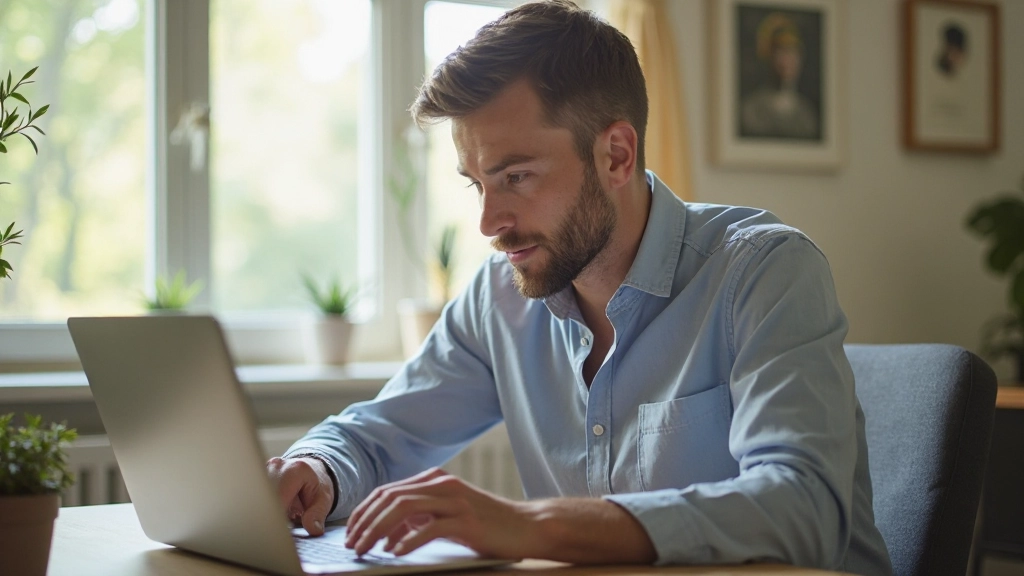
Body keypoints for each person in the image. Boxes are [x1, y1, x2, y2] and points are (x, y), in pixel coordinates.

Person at [267, 1, 892, 573]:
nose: (489, 223)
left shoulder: (764, 273)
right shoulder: (500, 298)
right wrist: (317, 467)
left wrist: (529, 525)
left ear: (616, 155)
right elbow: (377, 434)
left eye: (516, 176)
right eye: (475, 183)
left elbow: (804, 509)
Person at [739, 13, 819, 140]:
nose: (787, 60)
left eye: (792, 52)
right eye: (780, 52)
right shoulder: (751, 110)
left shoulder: (807, 115)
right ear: (768, 56)